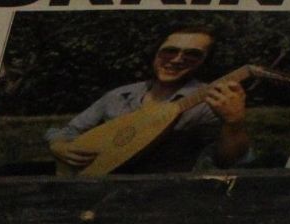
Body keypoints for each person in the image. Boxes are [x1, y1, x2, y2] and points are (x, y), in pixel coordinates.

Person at [47, 25, 251, 174]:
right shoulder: (118, 95)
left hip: (163, 197)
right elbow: (68, 131)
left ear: (205, 62)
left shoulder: (211, 101)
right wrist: (58, 145)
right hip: (99, 184)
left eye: (193, 54)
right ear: (155, 54)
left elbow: (227, 162)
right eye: (170, 50)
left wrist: (234, 124)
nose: (178, 59)